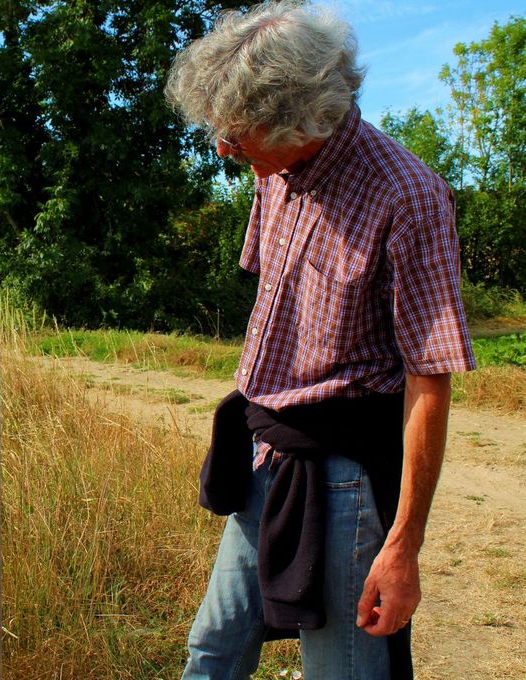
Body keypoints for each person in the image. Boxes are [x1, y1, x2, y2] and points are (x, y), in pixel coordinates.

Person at [164, 2, 475, 678]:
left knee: (343, 671)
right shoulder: (272, 172)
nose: (223, 148)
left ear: (303, 120)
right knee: (210, 654)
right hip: (264, 454)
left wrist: (403, 548)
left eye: (237, 133)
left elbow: (430, 376)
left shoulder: (409, 196)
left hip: (344, 481)